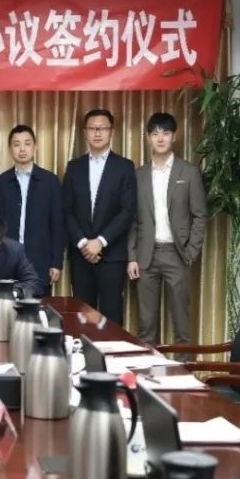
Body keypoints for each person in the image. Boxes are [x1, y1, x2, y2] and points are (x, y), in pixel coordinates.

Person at [128, 112, 207, 345]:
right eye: (155, 133)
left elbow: (200, 215)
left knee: (182, 323)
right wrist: (132, 257)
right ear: (148, 137)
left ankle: (184, 366)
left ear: (175, 136)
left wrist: (191, 251)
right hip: (146, 255)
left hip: (177, 253)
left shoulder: (189, 172)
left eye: (165, 133)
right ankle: (148, 367)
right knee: (146, 325)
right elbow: (132, 220)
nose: (160, 138)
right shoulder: (139, 175)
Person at [62, 108, 137, 325]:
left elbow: (127, 211)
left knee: (111, 315)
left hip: (112, 254)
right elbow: (66, 210)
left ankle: (112, 350)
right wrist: (83, 243)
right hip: (81, 255)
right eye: (92, 128)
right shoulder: (74, 167)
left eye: (102, 128)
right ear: (85, 132)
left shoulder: (124, 167)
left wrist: (101, 242)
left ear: (111, 132)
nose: (97, 133)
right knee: (82, 316)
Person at [0, 124, 65, 296]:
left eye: (27, 143)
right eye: (16, 144)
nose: (22, 149)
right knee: (5, 307)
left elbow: (58, 224)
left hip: (39, 261)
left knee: (37, 309)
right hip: (5, 260)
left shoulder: (50, 181)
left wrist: (56, 262)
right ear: (10, 149)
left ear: (35, 147)